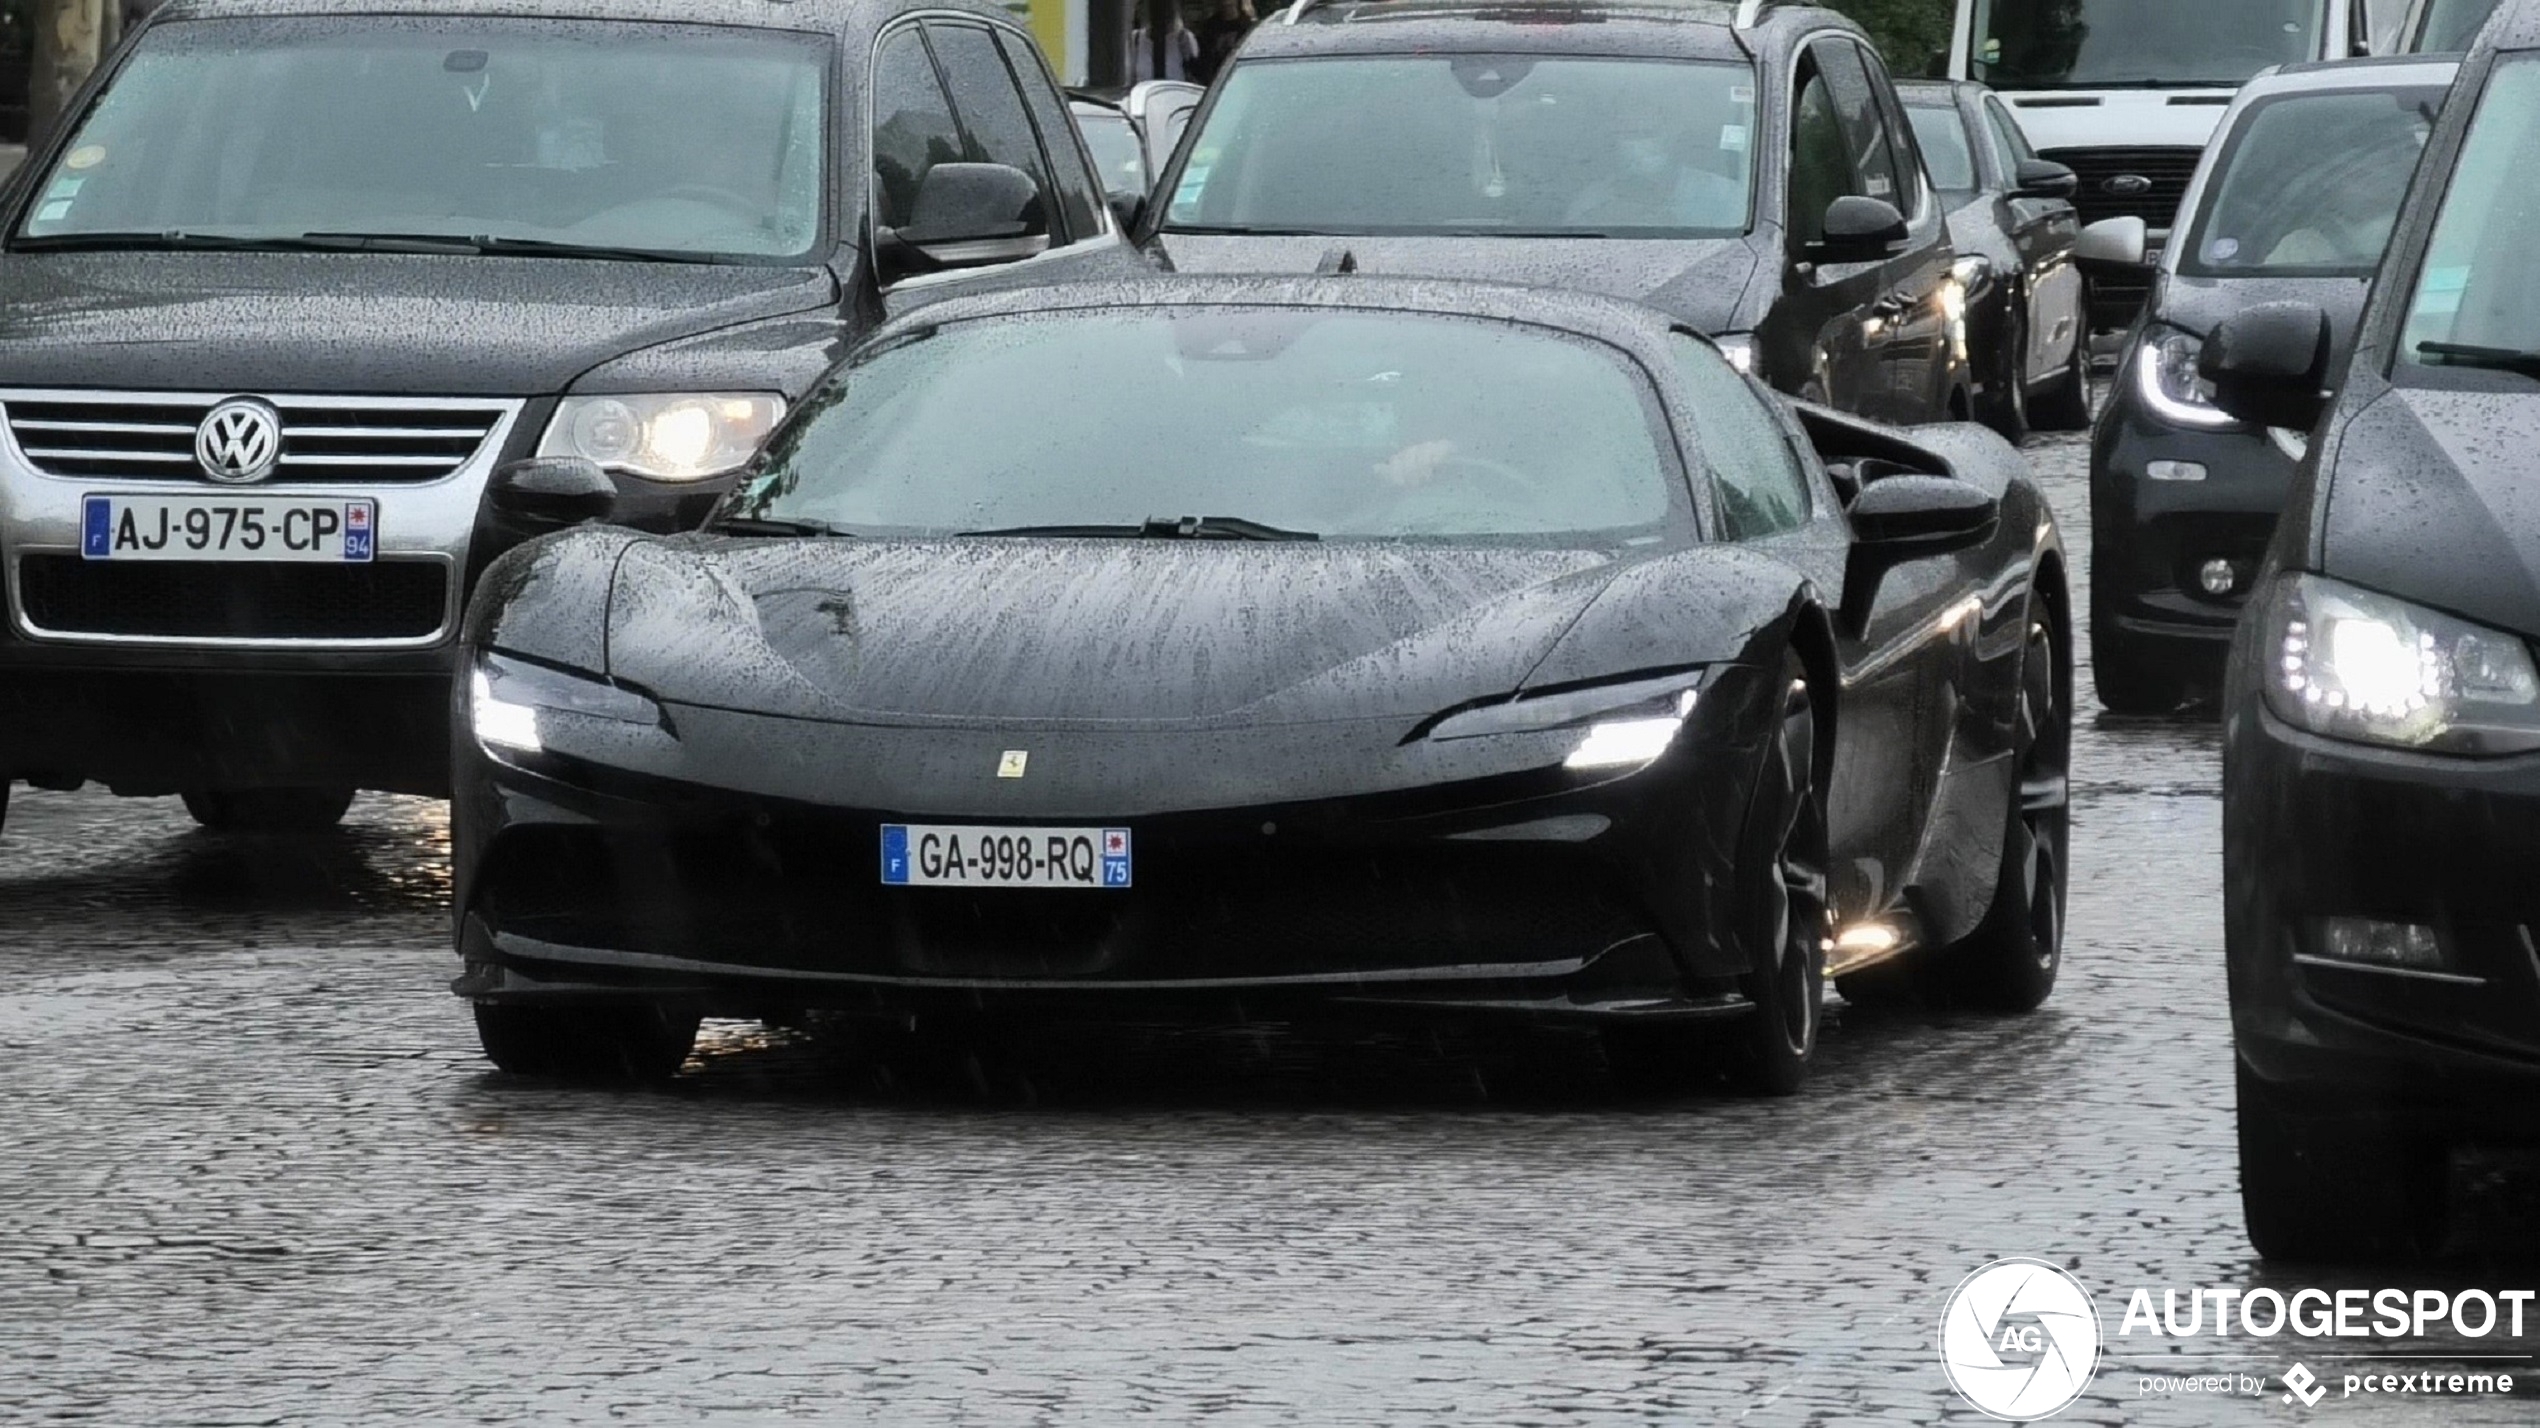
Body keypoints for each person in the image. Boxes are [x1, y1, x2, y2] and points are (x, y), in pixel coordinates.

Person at [1562, 105, 1745, 232]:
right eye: (1627, 136)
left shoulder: (1723, 194)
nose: (1636, 144)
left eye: (1646, 134)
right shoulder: (1594, 198)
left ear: (1672, 133)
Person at [1129, 0, 1200, 83]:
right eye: (1154, 7)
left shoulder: (1184, 38)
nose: (1159, 12)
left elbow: (1196, 70)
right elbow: (1131, 77)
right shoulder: (1136, 39)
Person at [1195, 0, 1256, 84]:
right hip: (1215, 80)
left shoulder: (1248, 26)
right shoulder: (1210, 27)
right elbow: (1203, 59)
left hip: (1242, 78)